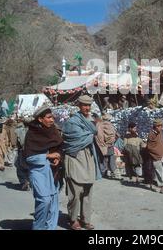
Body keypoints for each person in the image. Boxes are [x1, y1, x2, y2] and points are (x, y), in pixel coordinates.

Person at [62, 95, 101, 230]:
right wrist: (91, 134)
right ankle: (73, 219)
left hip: (88, 158)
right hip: (75, 158)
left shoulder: (89, 121)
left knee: (88, 191)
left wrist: (91, 133)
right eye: (84, 105)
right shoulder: (72, 122)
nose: (87, 108)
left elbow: (94, 134)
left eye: (89, 105)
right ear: (79, 105)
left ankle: (85, 219)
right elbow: (74, 139)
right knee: (75, 192)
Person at [24, 106, 63, 230]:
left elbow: (60, 147)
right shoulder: (32, 133)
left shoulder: (53, 130)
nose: (52, 120)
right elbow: (29, 157)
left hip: (53, 172)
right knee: (44, 201)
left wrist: (58, 157)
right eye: (49, 117)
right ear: (40, 119)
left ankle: (50, 228)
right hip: (38, 172)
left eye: (52, 117)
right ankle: (39, 227)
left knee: (53, 203)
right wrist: (47, 156)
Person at [146, 119, 163, 194]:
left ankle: (156, 183)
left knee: (158, 171)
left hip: (160, 155)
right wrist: (157, 153)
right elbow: (150, 147)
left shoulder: (159, 133)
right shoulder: (151, 135)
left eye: (162, 126)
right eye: (160, 126)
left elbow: (161, 143)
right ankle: (162, 188)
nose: (161, 128)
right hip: (155, 156)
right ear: (156, 127)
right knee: (160, 171)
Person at [94, 113, 117, 178]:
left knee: (102, 159)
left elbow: (98, 135)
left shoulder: (99, 125)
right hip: (110, 145)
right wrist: (110, 142)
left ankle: (103, 172)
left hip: (102, 145)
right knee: (111, 158)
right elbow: (113, 135)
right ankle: (113, 171)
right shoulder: (110, 125)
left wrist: (102, 144)